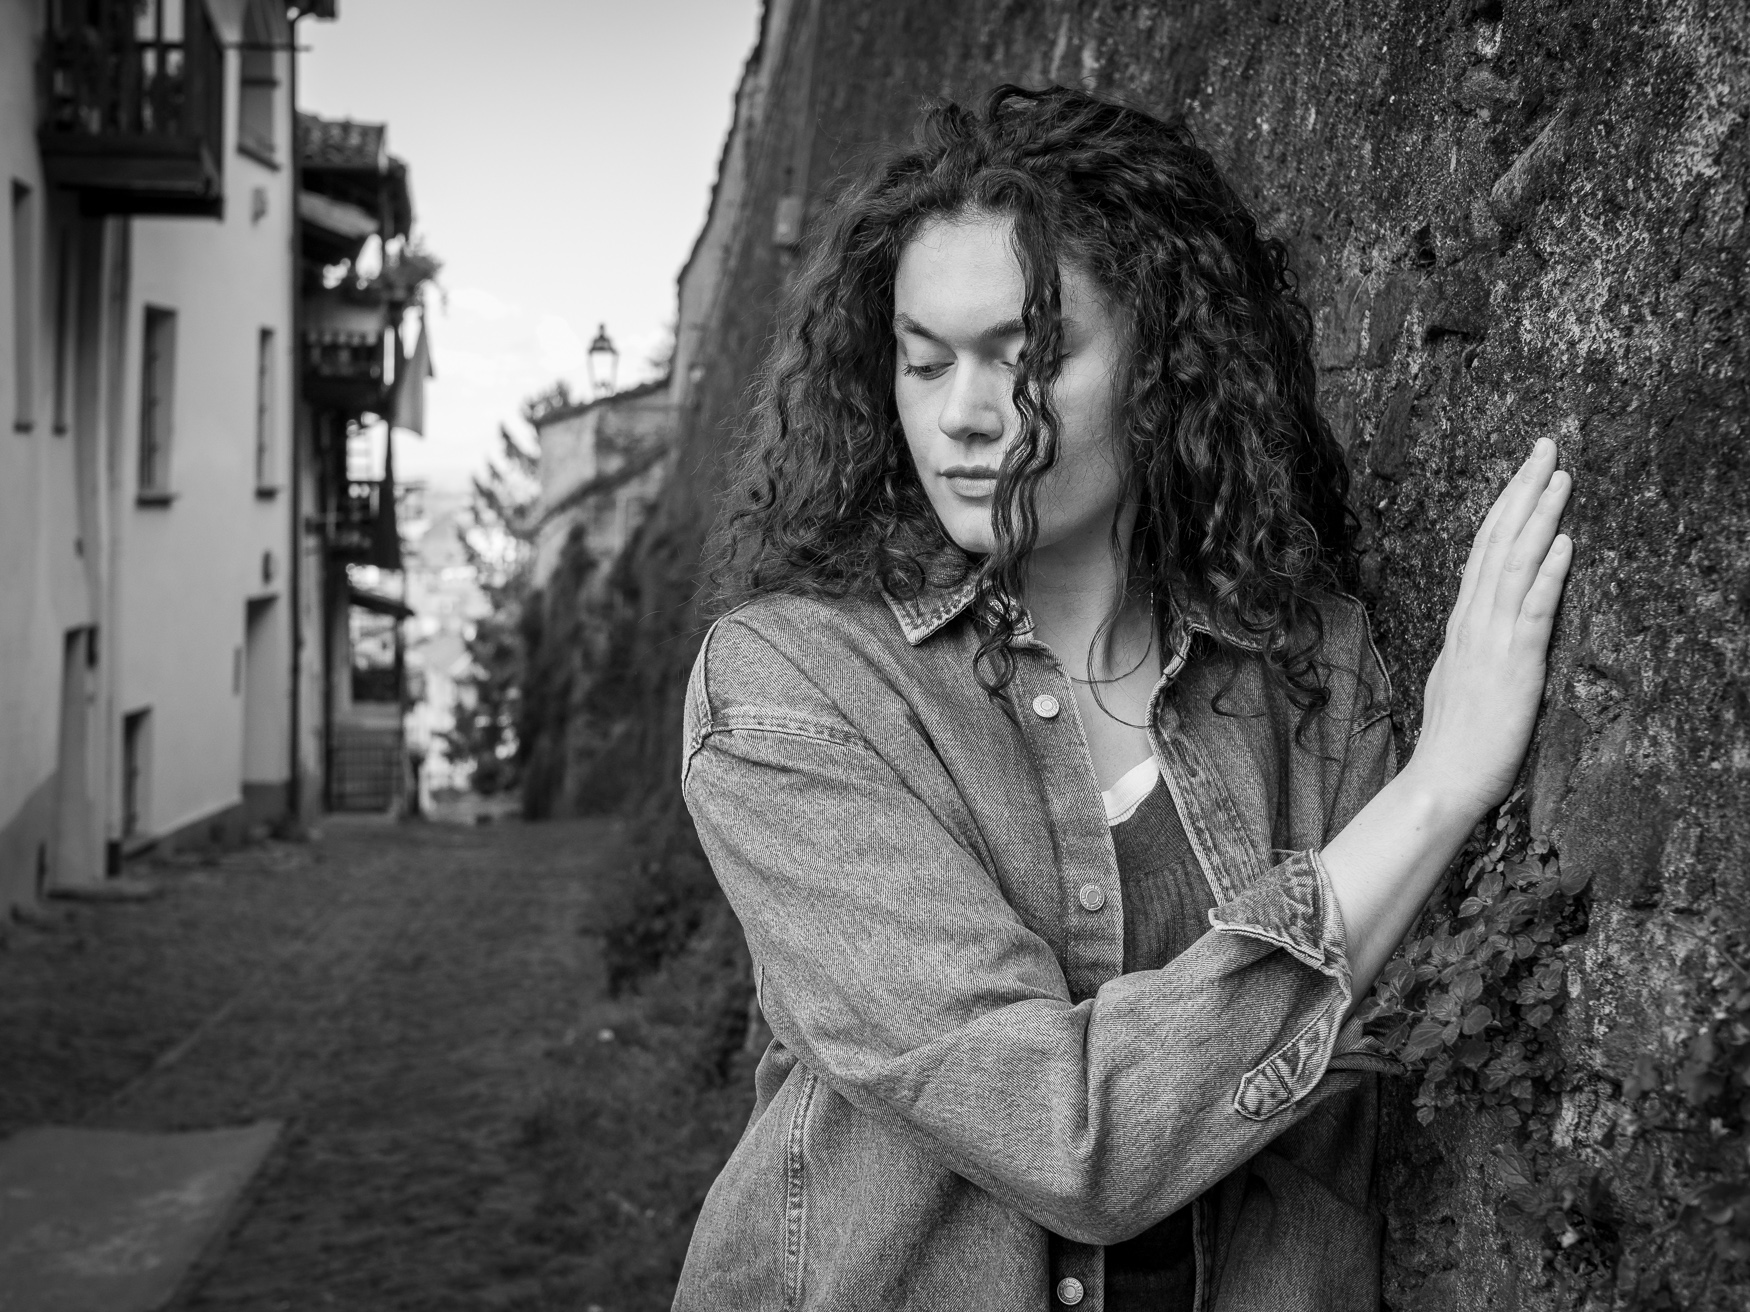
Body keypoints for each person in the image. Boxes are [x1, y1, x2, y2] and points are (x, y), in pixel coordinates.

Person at [672, 85, 1573, 1311]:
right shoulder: (791, 688)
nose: (961, 416)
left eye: (1028, 358)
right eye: (923, 361)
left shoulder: (1310, 666)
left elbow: (1357, 1104)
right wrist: (1438, 790)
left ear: (1163, 362)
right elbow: (1065, 1137)